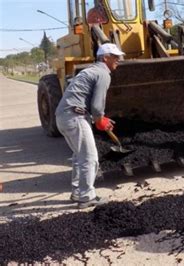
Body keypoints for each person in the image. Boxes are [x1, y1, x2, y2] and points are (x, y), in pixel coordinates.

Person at [55, 43, 124, 209]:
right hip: (75, 117)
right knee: (90, 157)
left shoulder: (89, 71)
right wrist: (100, 119)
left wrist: (99, 118)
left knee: (80, 156)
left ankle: (78, 192)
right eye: (115, 57)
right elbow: (97, 106)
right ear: (105, 58)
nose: (118, 60)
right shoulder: (102, 73)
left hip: (63, 116)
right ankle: (87, 196)